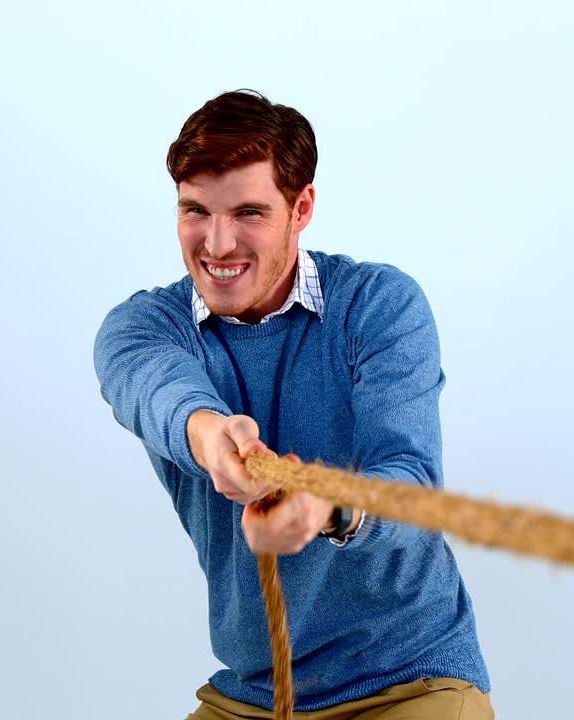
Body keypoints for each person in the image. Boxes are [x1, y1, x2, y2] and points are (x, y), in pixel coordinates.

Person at [93, 89, 492, 719]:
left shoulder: (379, 306)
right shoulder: (143, 329)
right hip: (254, 695)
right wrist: (210, 435)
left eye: (248, 212)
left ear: (301, 206)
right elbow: (159, 392)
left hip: (409, 682)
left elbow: (412, 488)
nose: (217, 244)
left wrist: (328, 507)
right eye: (195, 210)